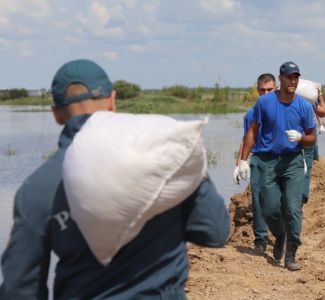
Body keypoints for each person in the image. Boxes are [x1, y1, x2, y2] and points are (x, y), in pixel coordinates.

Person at [0, 59, 229, 299]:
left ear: (56, 114)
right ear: (112, 101)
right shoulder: (163, 156)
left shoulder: (36, 189)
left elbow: (19, 288)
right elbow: (214, 232)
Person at [237, 61, 316, 271]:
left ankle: (291, 253)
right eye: (289, 77)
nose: (293, 81)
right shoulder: (264, 103)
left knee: (292, 208)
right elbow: (252, 131)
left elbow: (312, 138)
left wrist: (301, 137)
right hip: (268, 161)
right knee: (270, 209)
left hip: (293, 162)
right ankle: (280, 236)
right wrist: (243, 160)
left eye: (296, 77)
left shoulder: (304, 107)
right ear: (280, 78)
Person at [233, 73, 277, 253]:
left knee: (278, 202)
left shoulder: (284, 110)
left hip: (281, 160)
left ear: (276, 89)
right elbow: (246, 139)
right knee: (258, 200)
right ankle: (260, 239)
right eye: (263, 90)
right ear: (258, 90)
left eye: (270, 90)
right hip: (259, 160)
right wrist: (239, 163)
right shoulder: (251, 114)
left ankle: (281, 235)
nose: (266, 93)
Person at [301, 85, 325, 206]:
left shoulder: (291, 100)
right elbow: (322, 112)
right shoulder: (311, 102)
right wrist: (320, 94)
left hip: (296, 137)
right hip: (308, 135)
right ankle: (303, 195)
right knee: (307, 165)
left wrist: (321, 124)